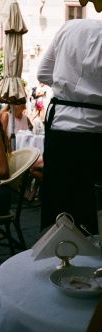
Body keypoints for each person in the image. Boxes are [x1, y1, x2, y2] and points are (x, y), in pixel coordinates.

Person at [37, 18, 102, 233]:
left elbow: (43, 73)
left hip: (61, 127)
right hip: (97, 130)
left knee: (59, 203)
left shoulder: (68, 27)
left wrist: (68, 87)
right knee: (93, 206)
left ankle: (60, 256)